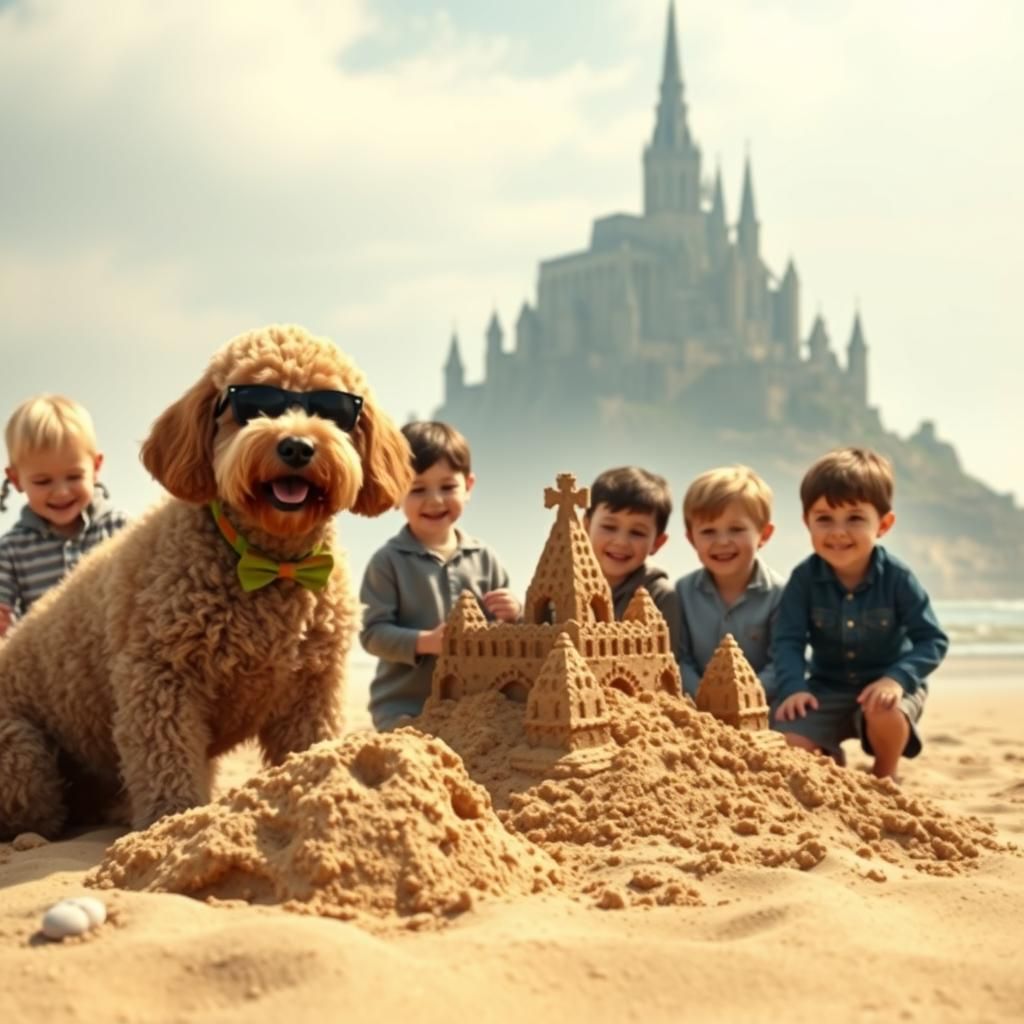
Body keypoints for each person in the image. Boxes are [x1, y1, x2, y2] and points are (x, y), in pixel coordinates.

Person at [772, 447, 948, 779]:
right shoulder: (804, 579)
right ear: (806, 522)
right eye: (824, 518)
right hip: (826, 686)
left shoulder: (897, 578)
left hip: (887, 684)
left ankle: (885, 773)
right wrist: (794, 686)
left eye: (854, 518)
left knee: (884, 709)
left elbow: (932, 640)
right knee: (788, 736)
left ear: (883, 524)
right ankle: (829, 758)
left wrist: (896, 679)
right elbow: (788, 640)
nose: (838, 531)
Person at [360, 421, 521, 729]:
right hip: (405, 705)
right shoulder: (388, 562)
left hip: (475, 702)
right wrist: (425, 642)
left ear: (468, 487)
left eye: (447, 487)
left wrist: (516, 611)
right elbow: (372, 634)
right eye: (418, 489)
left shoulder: (484, 558)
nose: (434, 500)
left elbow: (510, 631)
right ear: (396, 492)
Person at [0, 394, 127, 638]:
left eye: (74, 477)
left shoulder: (118, 528)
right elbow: (12, 629)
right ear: (16, 480)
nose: (61, 492)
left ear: (96, 467)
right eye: (42, 481)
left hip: (112, 655)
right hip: (50, 666)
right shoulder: (11, 551)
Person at [674, 465, 784, 698]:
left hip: (761, 707)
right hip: (698, 708)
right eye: (708, 531)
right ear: (691, 538)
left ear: (764, 534)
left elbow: (780, 663)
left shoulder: (780, 595)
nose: (722, 541)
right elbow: (679, 658)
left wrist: (743, 698)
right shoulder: (682, 592)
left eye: (736, 529)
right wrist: (705, 696)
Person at [582, 466, 682, 647]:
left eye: (637, 532)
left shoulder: (660, 596)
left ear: (657, 543)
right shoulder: (564, 582)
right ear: (586, 527)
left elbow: (669, 663)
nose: (621, 542)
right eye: (609, 527)